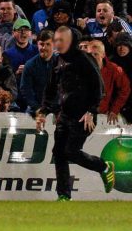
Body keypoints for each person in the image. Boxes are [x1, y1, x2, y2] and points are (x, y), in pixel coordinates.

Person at [35, 26, 116, 201]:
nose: (57, 43)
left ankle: (103, 166)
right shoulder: (57, 61)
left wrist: (91, 110)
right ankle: (64, 196)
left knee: (71, 151)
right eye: (56, 40)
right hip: (65, 115)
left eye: (61, 40)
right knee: (58, 152)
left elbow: (99, 87)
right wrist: (43, 110)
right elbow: (50, 89)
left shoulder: (84, 60)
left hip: (83, 116)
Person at [88, 40, 130, 125]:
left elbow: (125, 89)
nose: (92, 57)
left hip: (105, 113)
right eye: (89, 55)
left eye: (95, 54)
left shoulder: (114, 69)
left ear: (103, 55)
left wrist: (114, 109)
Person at [20, 29, 56, 116]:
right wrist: (37, 108)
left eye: (48, 44)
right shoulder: (30, 65)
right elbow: (26, 90)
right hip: (35, 108)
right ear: (37, 44)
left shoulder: (62, 64)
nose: (44, 48)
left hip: (57, 108)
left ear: (54, 45)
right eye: (41, 44)